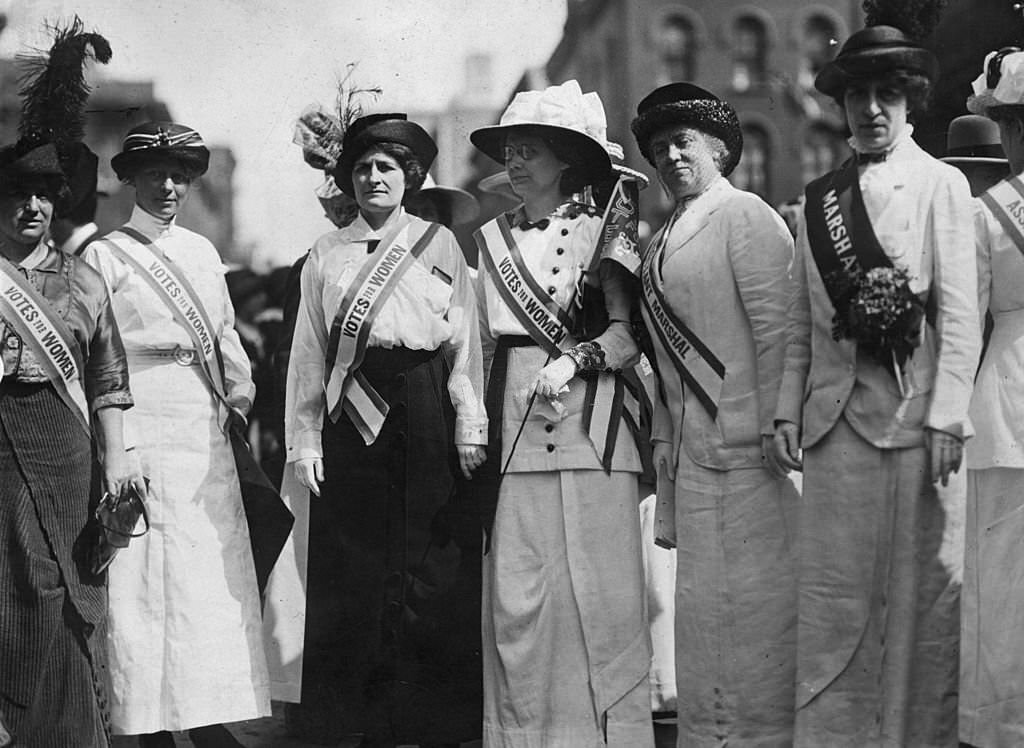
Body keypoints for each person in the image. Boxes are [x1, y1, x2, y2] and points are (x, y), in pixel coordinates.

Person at [772, 7, 979, 746]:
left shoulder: (942, 186)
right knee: (835, 608)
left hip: (918, 426)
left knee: (919, 604)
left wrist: (949, 414)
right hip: (833, 427)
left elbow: (960, 312)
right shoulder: (819, 200)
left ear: (908, 100)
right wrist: (786, 414)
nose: (868, 111)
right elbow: (800, 321)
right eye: (855, 97)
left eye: (884, 96)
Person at [285, 112, 487, 747]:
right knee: (358, 563)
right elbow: (310, 353)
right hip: (354, 411)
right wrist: (306, 437)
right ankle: (360, 725)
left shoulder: (439, 243)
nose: (375, 177)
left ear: (411, 178)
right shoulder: (325, 252)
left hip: (425, 405)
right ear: (349, 178)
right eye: (365, 168)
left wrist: (470, 422)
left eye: (389, 168)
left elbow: (464, 342)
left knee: (430, 560)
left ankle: (431, 722)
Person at [469, 79, 654, 747]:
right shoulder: (487, 240)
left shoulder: (606, 230)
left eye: (532, 151)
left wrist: (577, 360)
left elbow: (626, 335)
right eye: (511, 150)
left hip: (592, 430)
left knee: (602, 596)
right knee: (521, 601)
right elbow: (477, 345)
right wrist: (473, 428)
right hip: (516, 431)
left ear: (567, 160)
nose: (516, 163)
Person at [83, 122, 270, 747]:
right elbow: (97, 356)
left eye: (179, 175)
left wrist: (238, 390)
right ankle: (149, 725)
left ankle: (210, 715)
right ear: (130, 179)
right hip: (138, 408)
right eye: (155, 174)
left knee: (205, 574)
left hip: (200, 418)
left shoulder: (199, 252)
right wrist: (120, 444)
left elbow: (222, 334)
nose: (168, 186)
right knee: (144, 578)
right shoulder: (104, 255)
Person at [630, 82, 799, 746]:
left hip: (755, 451)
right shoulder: (661, 239)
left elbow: (779, 332)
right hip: (695, 456)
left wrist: (775, 423)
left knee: (758, 607)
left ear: (719, 148)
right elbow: (668, 369)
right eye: (661, 146)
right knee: (705, 614)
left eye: (685, 142)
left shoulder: (746, 214)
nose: (672, 156)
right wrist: (668, 437)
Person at [0, 139, 138, 746]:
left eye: (43, 196)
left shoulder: (83, 280)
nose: (31, 207)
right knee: (13, 585)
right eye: (15, 195)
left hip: (67, 452)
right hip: (2, 445)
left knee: (69, 586)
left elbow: (108, 381)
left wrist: (117, 462)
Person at [958, 47, 1024, 748]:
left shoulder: (988, 215)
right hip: (1005, 400)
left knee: (1004, 584)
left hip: (1006, 399)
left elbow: (961, 325)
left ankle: (1002, 728)